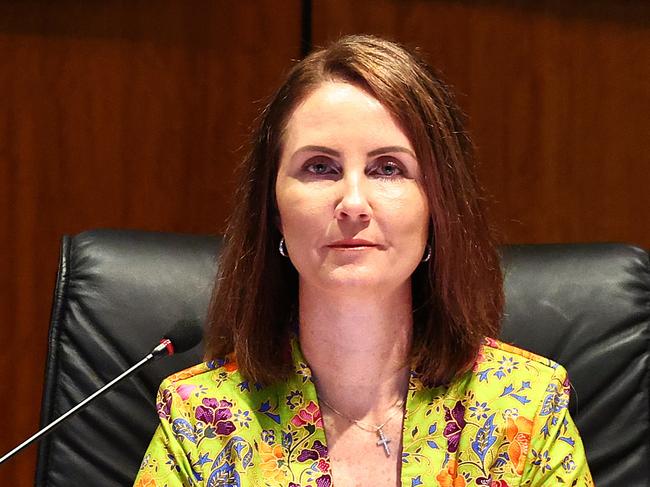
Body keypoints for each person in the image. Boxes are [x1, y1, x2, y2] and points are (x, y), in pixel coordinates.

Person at [134, 35, 593, 486]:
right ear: (274, 210)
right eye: (320, 167)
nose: (353, 202)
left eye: (388, 168)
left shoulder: (526, 409)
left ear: (438, 205)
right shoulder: (202, 419)